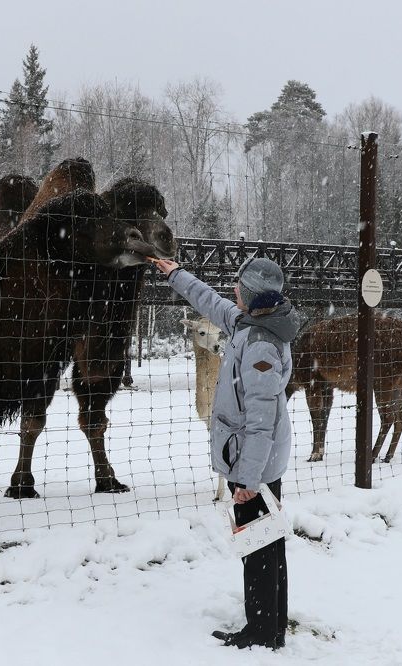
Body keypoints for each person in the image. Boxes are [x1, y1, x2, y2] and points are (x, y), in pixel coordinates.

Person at [151, 256, 300, 650]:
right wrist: (175, 273)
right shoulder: (249, 324)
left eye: (240, 288)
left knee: (257, 547)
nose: (233, 291)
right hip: (254, 457)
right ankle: (272, 624)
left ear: (251, 296)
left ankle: (262, 632)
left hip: (256, 462)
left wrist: (248, 481)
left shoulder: (260, 346)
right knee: (267, 542)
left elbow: (261, 421)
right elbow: (210, 302)